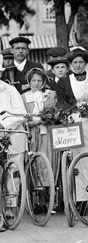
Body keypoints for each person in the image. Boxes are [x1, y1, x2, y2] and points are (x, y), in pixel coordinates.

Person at [0, 54, 27, 226]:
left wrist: (3, 124)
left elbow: (21, 114)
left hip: (13, 134)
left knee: (12, 172)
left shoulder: (9, 90)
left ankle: (10, 205)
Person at [21, 68, 56, 189]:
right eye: (33, 80)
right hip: (32, 134)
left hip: (48, 134)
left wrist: (49, 118)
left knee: (49, 161)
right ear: (29, 82)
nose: (36, 83)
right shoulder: (23, 98)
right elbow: (22, 120)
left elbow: (57, 115)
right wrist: (36, 121)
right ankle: (36, 195)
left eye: (39, 80)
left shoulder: (51, 95)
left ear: (44, 81)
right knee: (35, 161)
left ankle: (50, 192)